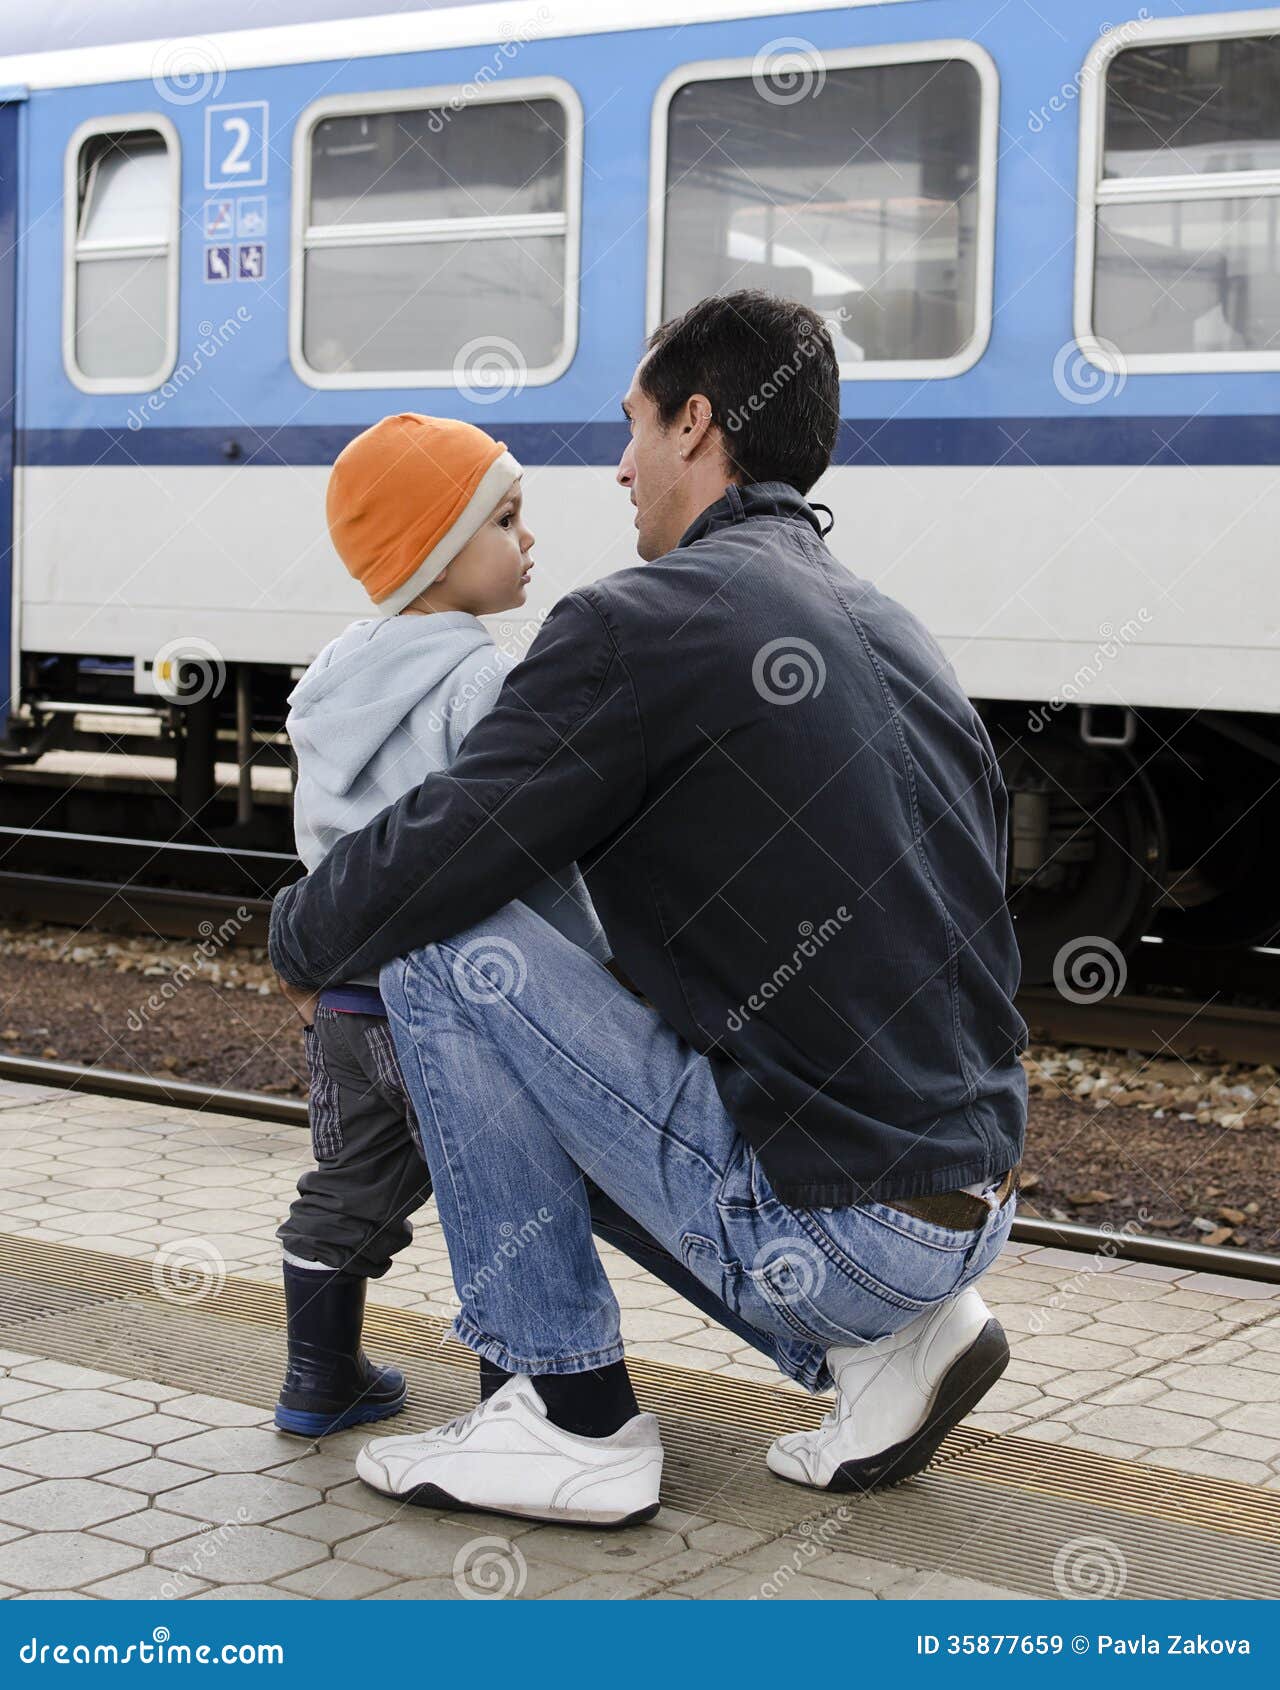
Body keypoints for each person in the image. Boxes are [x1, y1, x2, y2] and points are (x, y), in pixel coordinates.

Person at [269, 291, 1027, 1527]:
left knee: (441, 945)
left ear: (696, 422)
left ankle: (566, 1413)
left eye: (630, 428)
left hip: (838, 1238)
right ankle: (899, 1348)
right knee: (563, 1021)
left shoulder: (639, 623)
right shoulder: (886, 622)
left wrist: (300, 934)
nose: (616, 469)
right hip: (967, 1208)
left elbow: (446, 844)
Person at [273, 412, 606, 1438]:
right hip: (456, 1011)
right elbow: (520, 846)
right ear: (433, 549)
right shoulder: (481, 680)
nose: (529, 540)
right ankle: (515, 1402)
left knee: (347, 1187)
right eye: (506, 518)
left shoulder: (331, 678)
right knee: (499, 1198)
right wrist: (594, 959)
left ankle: (316, 1383)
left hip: (343, 1003)